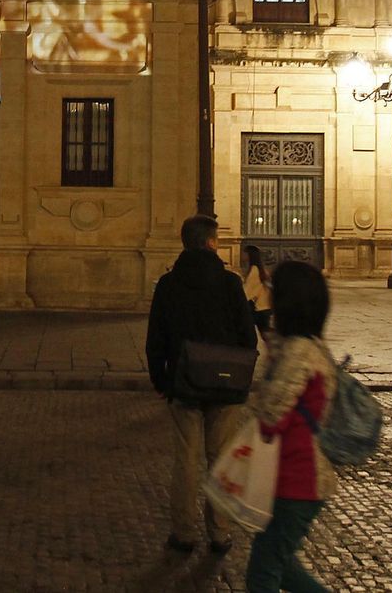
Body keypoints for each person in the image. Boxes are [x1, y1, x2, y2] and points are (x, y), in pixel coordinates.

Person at [144, 215, 258, 555]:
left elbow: (155, 340)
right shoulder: (230, 283)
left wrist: (161, 380)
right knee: (221, 459)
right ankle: (219, 533)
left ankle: (184, 532)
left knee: (186, 461)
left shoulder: (168, 284)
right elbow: (247, 337)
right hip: (225, 386)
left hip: (184, 383)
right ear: (211, 243)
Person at [243, 261, 337, 593]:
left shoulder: (299, 353)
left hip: (297, 479)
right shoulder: (301, 346)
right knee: (283, 569)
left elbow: (270, 417)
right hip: (288, 478)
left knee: (263, 575)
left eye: (273, 292)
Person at [240, 244, 273, 338]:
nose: (242, 255)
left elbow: (248, 291)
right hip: (264, 307)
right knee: (265, 335)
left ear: (250, 255)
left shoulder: (254, 270)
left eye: (245, 253)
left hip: (260, 308)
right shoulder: (259, 269)